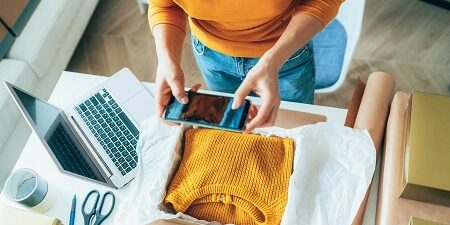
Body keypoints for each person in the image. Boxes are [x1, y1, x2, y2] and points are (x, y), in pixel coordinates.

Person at [148, 0, 343, 132]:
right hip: (210, 55)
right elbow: (165, 5)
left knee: (293, 128)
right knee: (230, 122)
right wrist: (167, 60)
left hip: (285, 54)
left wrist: (273, 60)